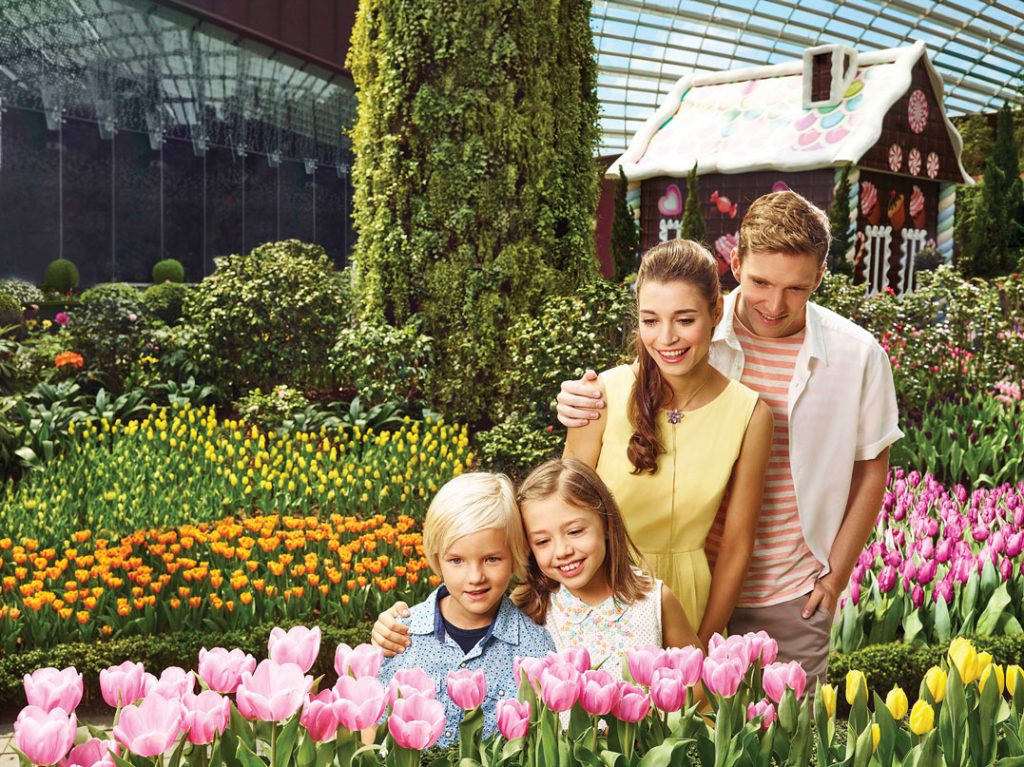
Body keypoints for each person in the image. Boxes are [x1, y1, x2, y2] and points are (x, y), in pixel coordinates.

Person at [557, 190, 902, 681]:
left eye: (797, 289)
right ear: (735, 263)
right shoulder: (694, 326)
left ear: (819, 277)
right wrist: (577, 399)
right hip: (684, 582)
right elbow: (638, 384)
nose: (775, 305)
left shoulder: (858, 356)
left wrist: (838, 571)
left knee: (787, 747)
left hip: (789, 590)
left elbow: (872, 466)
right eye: (761, 282)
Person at [563, 239, 773, 647]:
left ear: (716, 314)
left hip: (692, 598)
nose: (666, 338)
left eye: (684, 319)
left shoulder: (750, 414)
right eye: (650, 320)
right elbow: (560, 517)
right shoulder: (599, 395)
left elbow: (735, 545)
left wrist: (706, 642)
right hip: (600, 593)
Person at [375, 471, 555, 747]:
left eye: (491, 559)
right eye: (457, 560)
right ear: (437, 557)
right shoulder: (400, 636)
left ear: (515, 555)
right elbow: (371, 734)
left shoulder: (534, 649)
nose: (475, 577)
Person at [511, 457, 700, 672]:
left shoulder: (655, 600)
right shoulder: (532, 609)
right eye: (543, 541)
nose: (563, 551)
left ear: (606, 525)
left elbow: (698, 681)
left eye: (575, 532)